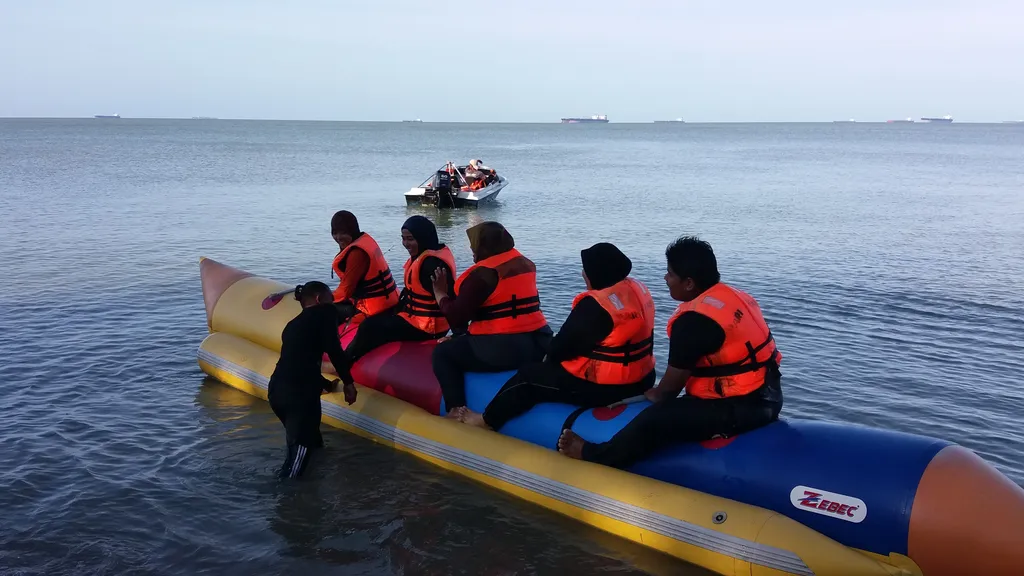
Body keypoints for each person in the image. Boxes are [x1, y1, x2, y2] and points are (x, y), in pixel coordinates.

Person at [557, 236, 784, 469]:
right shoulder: (733, 295)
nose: (666, 279)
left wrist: (654, 396)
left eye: (670, 274)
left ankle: (594, 454)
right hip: (769, 394)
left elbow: (668, 391)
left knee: (658, 418)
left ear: (688, 283)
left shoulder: (693, 321)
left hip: (741, 407)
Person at [460, 243, 657, 431]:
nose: (583, 274)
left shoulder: (596, 306)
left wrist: (547, 361)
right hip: (644, 380)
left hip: (606, 388)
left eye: (585, 271)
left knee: (528, 376)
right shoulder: (637, 289)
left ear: (595, 275)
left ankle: (486, 420)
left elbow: (559, 348)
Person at [430, 222, 553, 419]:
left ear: (484, 247)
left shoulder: (484, 274)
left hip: (504, 350)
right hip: (539, 345)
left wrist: (440, 293)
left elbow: (456, 317)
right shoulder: (526, 264)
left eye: (474, 247)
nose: (472, 252)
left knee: (442, 354)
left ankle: (455, 409)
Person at [268, 281, 358, 479]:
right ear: (319, 299)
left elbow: (298, 360)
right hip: (298, 396)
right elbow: (334, 350)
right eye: (330, 300)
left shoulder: (293, 326)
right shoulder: (324, 313)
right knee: (296, 466)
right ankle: (286, 502)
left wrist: (324, 384)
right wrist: (349, 383)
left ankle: (311, 493)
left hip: (277, 391)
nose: (333, 305)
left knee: (314, 446)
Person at [341, 216, 457, 363]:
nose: (406, 244)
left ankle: (344, 363)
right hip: (416, 318)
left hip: (428, 328)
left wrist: (457, 334)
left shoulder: (431, 265)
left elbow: (452, 300)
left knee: (368, 327)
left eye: (410, 239)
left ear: (422, 237)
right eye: (403, 238)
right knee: (378, 319)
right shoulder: (426, 254)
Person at [329, 210, 399, 321]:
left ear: (352, 230)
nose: (338, 237)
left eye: (343, 232)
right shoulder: (364, 241)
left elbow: (345, 291)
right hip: (389, 302)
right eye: (335, 233)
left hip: (373, 310)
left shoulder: (357, 253)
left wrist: (321, 300)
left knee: (322, 310)